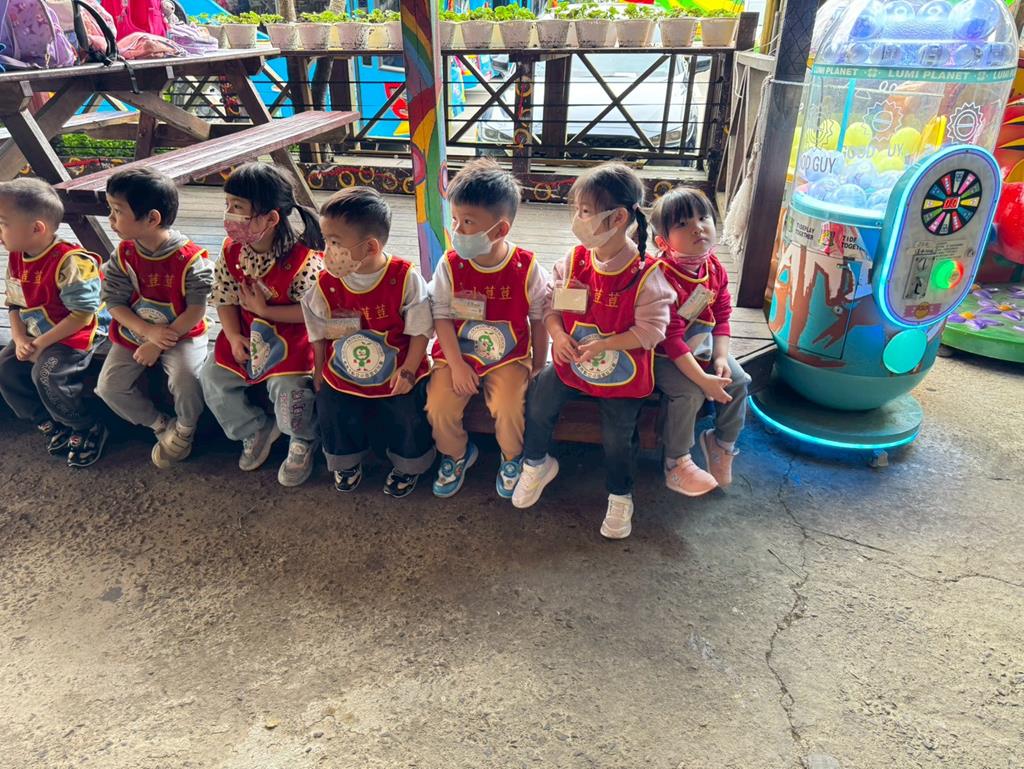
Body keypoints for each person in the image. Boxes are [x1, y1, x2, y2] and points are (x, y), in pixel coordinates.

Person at [511, 163, 675, 540]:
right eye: (577, 210)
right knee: (539, 399)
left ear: (618, 218)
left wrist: (606, 344)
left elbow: (652, 331)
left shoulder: (646, 274)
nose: (577, 220)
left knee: (618, 434)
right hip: (572, 363)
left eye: (585, 211)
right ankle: (536, 463)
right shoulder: (574, 261)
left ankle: (620, 494)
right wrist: (558, 336)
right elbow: (551, 307)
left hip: (623, 373)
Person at [425, 159, 550, 499]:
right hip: (457, 352)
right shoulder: (450, 265)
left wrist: (539, 364)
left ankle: (511, 458)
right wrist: (456, 364)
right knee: (438, 405)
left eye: (467, 222)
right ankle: (456, 454)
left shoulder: (526, 267)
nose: (456, 229)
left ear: (500, 230)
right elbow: (440, 315)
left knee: (508, 406)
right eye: (455, 219)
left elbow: (539, 317)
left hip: (508, 356)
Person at [302, 186, 435, 498]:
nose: (327, 250)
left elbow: (420, 331)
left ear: (371, 247)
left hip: (397, 367)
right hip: (343, 367)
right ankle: (346, 462)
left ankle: (408, 464)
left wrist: (409, 370)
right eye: (326, 240)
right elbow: (317, 329)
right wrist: (319, 370)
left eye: (335, 242)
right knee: (331, 403)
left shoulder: (404, 278)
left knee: (408, 410)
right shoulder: (326, 282)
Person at [200, 163, 324, 487]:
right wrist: (232, 335)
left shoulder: (303, 260)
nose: (229, 214)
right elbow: (224, 296)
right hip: (246, 331)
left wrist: (265, 310)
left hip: (293, 338)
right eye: (228, 204)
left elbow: (314, 312)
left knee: (288, 390)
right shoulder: (231, 251)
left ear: (271, 219)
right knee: (212, 376)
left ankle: (302, 439)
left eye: (238, 207)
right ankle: (253, 428)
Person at [95, 168, 213, 468]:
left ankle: (185, 428)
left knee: (187, 379)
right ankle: (161, 424)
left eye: (117, 211)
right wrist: (146, 332)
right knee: (108, 386)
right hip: (136, 331)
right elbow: (114, 302)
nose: (110, 218)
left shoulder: (190, 260)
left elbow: (196, 310)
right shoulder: (123, 255)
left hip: (182, 331)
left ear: (152, 219)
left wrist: (157, 342)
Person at [0, 179, 108, 467]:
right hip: (36, 332)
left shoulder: (71, 263)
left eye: (3, 223)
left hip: (75, 334)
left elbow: (82, 315)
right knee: (5, 368)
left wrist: (39, 344)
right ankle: (46, 420)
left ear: (37, 228)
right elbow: (15, 303)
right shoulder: (17, 255)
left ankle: (85, 426)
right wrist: (20, 339)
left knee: (47, 374)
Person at [651, 187, 750, 493]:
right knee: (689, 393)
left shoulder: (714, 268)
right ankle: (676, 461)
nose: (697, 227)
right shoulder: (660, 276)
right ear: (662, 242)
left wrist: (720, 358)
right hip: (662, 355)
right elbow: (671, 340)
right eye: (682, 224)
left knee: (738, 380)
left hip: (701, 346)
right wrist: (703, 380)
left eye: (703, 217)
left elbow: (722, 314)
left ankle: (721, 443)